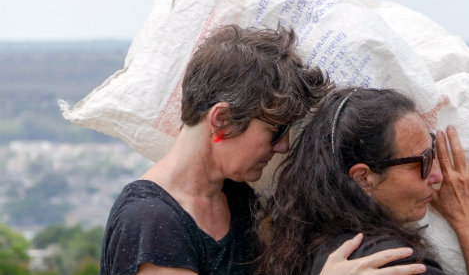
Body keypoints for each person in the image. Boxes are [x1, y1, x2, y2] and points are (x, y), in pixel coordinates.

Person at [100, 25, 427, 275]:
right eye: (276, 130)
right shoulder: (150, 222)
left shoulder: (236, 197)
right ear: (222, 119)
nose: (283, 147)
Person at [257, 87, 469, 275]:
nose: (437, 176)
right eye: (421, 162)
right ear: (364, 178)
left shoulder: (308, 242)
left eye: (433, 150)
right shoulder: (393, 264)